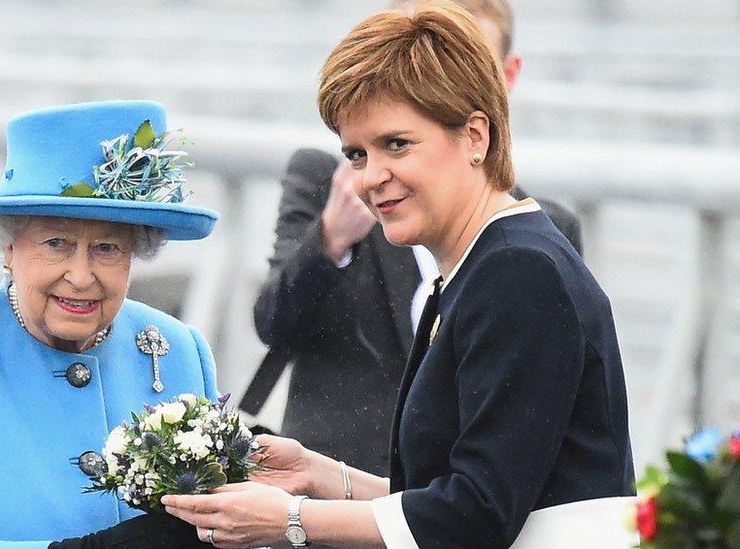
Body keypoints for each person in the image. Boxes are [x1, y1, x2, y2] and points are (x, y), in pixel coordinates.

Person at [164, 3, 635, 547]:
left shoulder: (518, 269)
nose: (372, 177)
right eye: (357, 154)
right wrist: (321, 475)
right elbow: (453, 494)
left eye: (397, 144)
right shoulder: (483, 260)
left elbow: (476, 515)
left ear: (475, 136)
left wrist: (289, 518)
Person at [240, 0, 583, 477]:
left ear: (503, 78)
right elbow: (273, 324)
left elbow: (529, 453)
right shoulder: (331, 182)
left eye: (464, 61)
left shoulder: (535, 240)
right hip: (340, 501)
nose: (373, 175)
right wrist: (330, 239)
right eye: (358, 154)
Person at [0, 101, 217, 548]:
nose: (80, 276)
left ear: (137, 252)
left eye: (107, 248)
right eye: (57, 243)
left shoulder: (179, 348)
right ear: (9, 247)